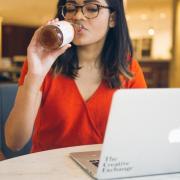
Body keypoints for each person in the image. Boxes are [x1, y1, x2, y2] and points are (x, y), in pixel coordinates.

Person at [5, 0, 147, 153]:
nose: (78, 16)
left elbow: (142, 134)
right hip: (49, 170)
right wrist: (34, 76)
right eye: (71, 8)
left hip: (103, 169)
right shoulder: (43, 62)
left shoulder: (128, 67)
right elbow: (14, 142)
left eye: (92, 8)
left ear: (112, 19)